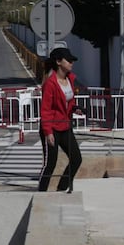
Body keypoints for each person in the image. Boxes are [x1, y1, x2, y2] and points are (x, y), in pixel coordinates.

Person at [38, 47, 83, 192]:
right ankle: (41, 192)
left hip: (65, 126)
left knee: (76, 159)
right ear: (58, 62)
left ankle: (61, 188)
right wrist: (48, 132)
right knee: (50, 163)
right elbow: (45, 110)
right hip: (50, 128)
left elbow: (68, 102)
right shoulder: (50, 84)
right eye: (68, 60)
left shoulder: (70, 79)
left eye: (72, 61)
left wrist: (75, 108)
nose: (71, 63)